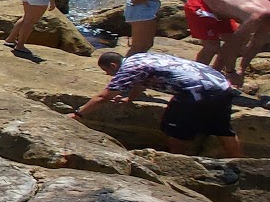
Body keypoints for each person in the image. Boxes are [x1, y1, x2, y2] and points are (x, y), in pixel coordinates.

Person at [69, 50, 242, 158]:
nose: (108, 75)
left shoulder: (129, 68)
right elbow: (140, 82)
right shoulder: (141, 57)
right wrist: (130, 99)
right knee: (221, 128)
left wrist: (78, 114)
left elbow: (103, 96)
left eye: (107, 71)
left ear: (113, 65)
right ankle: (237, 161)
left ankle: (178, 161)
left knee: (173, 128)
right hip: (221, 85)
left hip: (196, 91)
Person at [183, 0, 270, 85]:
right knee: (212, 47)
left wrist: (241, 70)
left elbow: (255, 45)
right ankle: (193, 78)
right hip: (201, 5)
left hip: (222, 12)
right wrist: (231, 71)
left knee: (233, 43)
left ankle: (214, 76)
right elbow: (232, 46)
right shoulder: (258, 17)